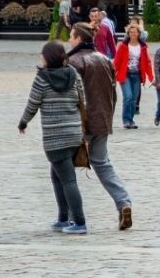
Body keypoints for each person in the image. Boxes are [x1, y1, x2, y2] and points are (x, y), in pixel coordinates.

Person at [67, 23, 133, 230]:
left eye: (71, 35)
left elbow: (71, 96)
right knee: (102, 164)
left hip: (79, 122)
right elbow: (113, 94)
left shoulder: (73, 62)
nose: (69, 39)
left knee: (64, 169)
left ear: (78, 38)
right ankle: (123, 202)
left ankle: (70, 216)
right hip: (102, 121)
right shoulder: (105, 59)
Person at [19, 41, 89, 235]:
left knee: (67, 179)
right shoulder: (73, 74)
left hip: (55, 136)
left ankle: (79, 221)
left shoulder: (42, 78)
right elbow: (82, 100)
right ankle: (63, 217)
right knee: (57, 175)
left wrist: (23, 122)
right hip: (74, 133)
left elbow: (33, 104)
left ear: (47, 58)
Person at [113, 21, 154, 129]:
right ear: (128, 34)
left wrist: (150, 76)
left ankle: (131, 120)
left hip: (136, 75)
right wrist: (112, 74)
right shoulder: (123, 46)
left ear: (139, 34)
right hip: (125, 74)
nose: (132, 34)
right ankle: (126, 120)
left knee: (134, 99)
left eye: (134, 32)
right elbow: (117, 62)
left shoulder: (143, 46)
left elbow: (147, 62)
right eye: (130, 32)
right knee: (128, 97)